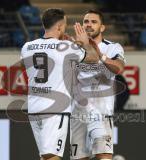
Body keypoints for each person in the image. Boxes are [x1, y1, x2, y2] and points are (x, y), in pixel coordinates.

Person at [20, 8, 100, 160]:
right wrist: (84, 43)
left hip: (34, 108)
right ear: (59, 27)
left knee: (45, 156)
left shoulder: (27, 47)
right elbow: (94, 58)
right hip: (55, 109)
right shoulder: (66, 48)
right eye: (65, 25)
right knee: (52, 157)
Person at [71, 10, 126, 160]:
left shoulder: (113, 47)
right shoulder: (73, 49)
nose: (89, 25)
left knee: (103, 157)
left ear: (102, 28)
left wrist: (100, 55)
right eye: (86, 22)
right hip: (79, 113)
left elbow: (119, 68)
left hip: (102, 112)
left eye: (94, 22)